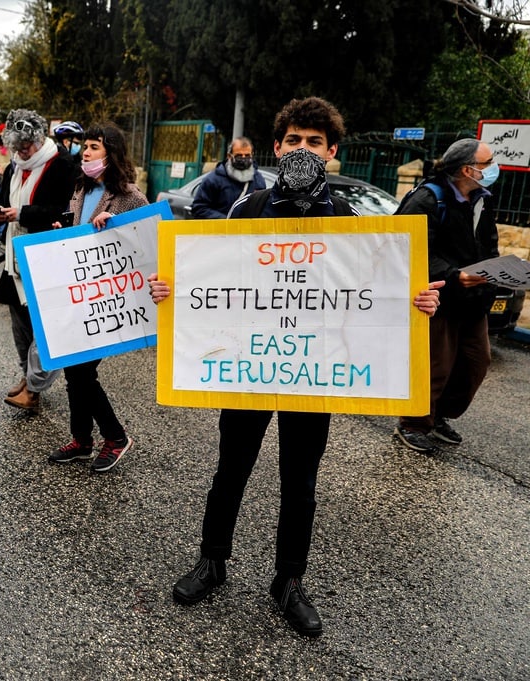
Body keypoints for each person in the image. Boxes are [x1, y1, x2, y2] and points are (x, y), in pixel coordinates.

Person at [148, 96, 444, 638]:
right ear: (276, 148)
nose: (302, 149)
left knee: (300, 482)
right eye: (292, 141)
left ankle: (288, 581)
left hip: (315, 370)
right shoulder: (249, 208)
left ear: (331, 151)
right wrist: (173, 290)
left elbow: (379, 288)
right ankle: (212, 561)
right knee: (230, 468)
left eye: (313, 141)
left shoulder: (349, 220)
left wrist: (417, 303)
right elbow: (213, 275)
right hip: (252, 368)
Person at [47, 123, 145, 472]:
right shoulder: (81, 186)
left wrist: (115, 221)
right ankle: (82, 440)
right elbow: (81, 233)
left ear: (112, 153)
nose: (85, 153)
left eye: (93, 147)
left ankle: (115, 437)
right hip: (80, 294)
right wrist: (64, 230)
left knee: (83, 373)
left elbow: (148, 238)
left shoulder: (128, 194)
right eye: (85, 147)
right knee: (74, 369)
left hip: (109, 299)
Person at [393, 139, 500, 454]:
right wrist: (454, 276)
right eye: (489, 162)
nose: (495, 168)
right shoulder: (427, 199)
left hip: (473, 299)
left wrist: (495, 270)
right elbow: (405, 246)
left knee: (475, 364)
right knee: (435, 366)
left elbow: (488, 243)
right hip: (438, 299)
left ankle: (438, 415)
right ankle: (413, 423)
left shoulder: (482, 199)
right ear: (468, 170)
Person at [0, 109, 79, 412]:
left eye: (26, 147)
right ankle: (28, 378)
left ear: (40, 140)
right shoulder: (13, 167)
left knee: (46, 325)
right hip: (15, 256)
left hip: (46, 256)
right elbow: (4, 198)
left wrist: (23, 214)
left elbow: (63, 209)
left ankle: (34, 386)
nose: (21, 152)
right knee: (20, 321)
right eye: (17, 147)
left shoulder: (63, 165)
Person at [191, 137, 266, 218]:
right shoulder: (213, 180)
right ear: (229, 156)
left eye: (247, 155)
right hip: (220, 229)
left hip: (247, 230)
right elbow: (199, 208)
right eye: (239, 155)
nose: (243, 158)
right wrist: (226, 221)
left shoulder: (258, 180)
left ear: (252, 155)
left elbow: (263, 208)